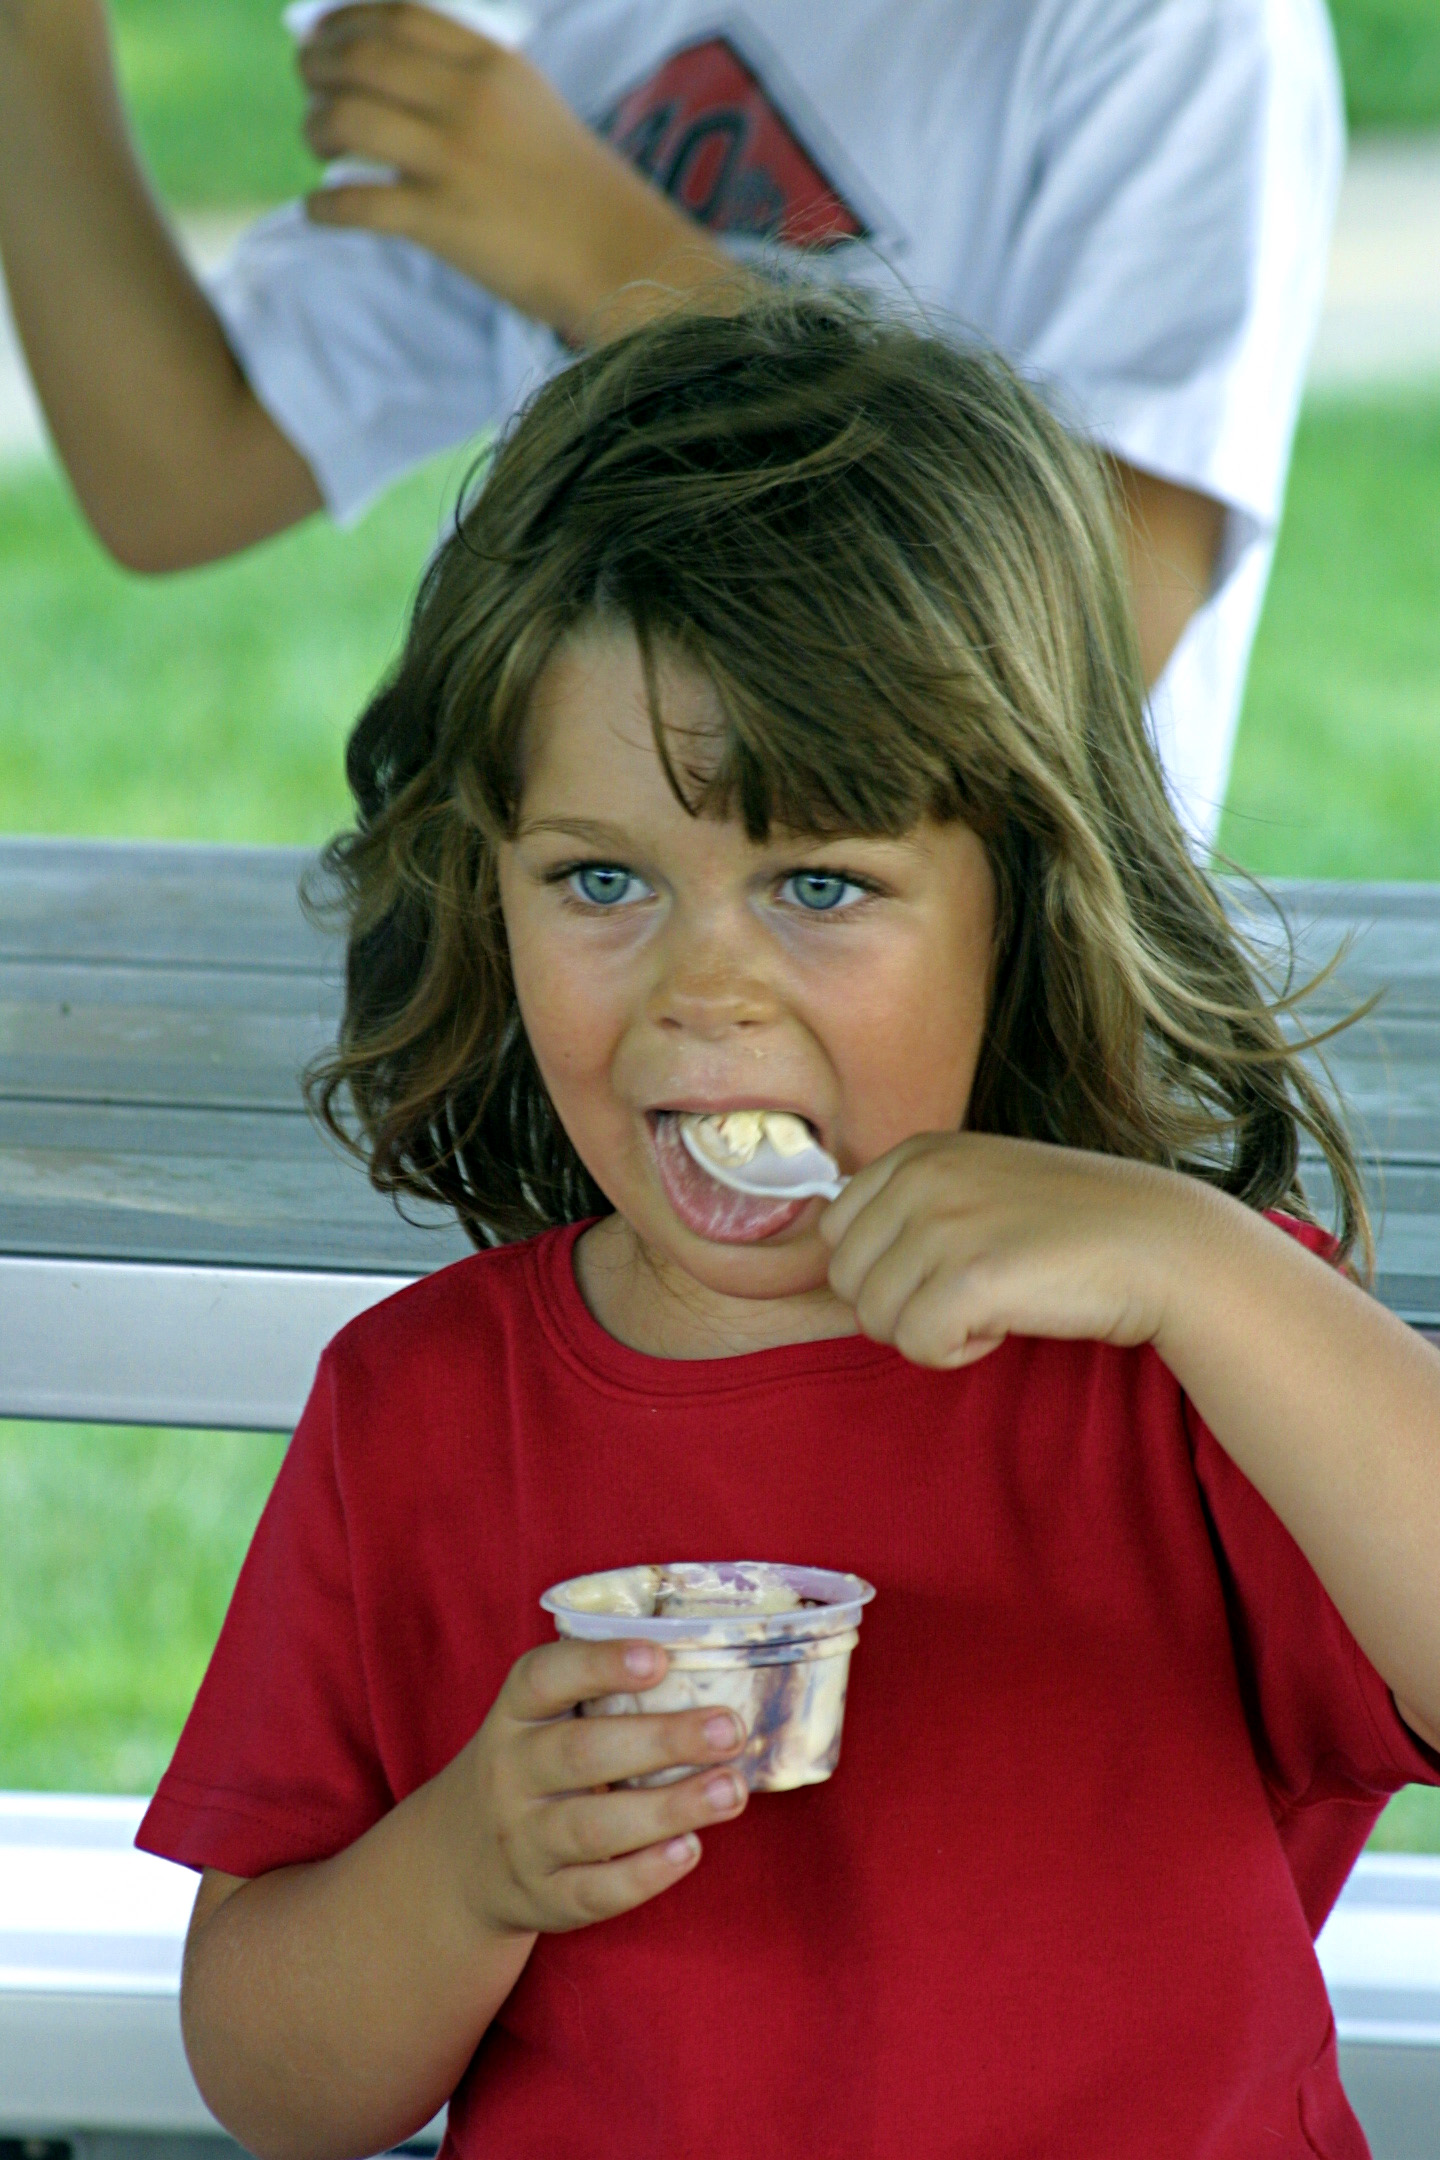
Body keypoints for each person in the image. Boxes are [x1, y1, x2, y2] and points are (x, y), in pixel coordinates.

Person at [135, 291, 1440, 2160]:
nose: (704, 989)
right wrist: (467, 1868)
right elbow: (272, 2085)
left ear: (1027, 899)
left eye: (820, 884)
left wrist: (1196, 1264)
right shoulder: (421, 1410)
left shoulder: (1190, 1357)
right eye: (601, 879)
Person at [0, 0, 1342, 847]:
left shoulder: (1181, 33)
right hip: (592, 1009)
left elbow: (1089, 643)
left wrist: (616, 265)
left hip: (992, 1059)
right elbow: (179, 469)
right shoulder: (563, 28)